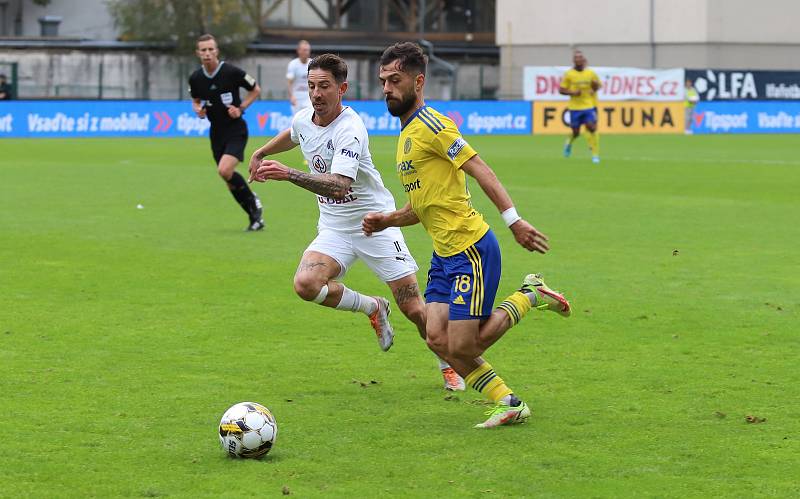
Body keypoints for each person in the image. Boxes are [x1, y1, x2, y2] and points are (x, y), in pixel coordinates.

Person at [365, 42, 572, 428]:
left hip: (471, 248)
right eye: (383, 81)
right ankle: (507, 402)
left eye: (395, 80)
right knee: (436, 338)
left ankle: (530, 295)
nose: (387, 89)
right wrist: (388, 220)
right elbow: (422, 206)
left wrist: (514, 220)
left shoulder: (433, 125)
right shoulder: (406, 135)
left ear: (418, 81)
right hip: (444, 255)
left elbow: (480, 168)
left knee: (464, 345)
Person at [249, 53, 465, 391]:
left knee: (412, 306)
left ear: (342, 88)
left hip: (374, 225)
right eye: (311, 86)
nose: (316, 94)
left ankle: (447, 361)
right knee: (306, 284)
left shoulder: (350, 129)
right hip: (334, 229)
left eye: (324, 86)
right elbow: (294, 133)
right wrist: (262, 152)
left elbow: (339, 187)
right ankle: (372, 307)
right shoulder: (307, 118)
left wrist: (288, 173)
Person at [188, 34, 264, 231]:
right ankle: (254, 217)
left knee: (224, 170)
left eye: (210, 49)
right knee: (228, 179)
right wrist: (198, 109)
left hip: (236, 129)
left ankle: (254, 202)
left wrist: (241, 108)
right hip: (216, 133)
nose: (207, 53)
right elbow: (196, 100)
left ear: (216, 51)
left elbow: (256, 89)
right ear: (198, 53)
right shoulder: (195, 78)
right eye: (203, 50)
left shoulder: (231, 72)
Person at [559, 49, 601, 164]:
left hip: (588, 106)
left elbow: (598, 85)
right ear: (574, 61)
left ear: (584, 60)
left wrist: (594, 88)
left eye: (580, 58)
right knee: (576, 132)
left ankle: (595, 154)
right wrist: (572, 93)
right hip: (575, 108)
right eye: (576, 58)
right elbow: (561, 90)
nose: (579, 60)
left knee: (592, 127)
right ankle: (569, 143)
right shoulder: (569, 74)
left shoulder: (590, 73)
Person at [286, 40, 312, 116]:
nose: (306, 52)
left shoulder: (313, 63)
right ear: (299, 51)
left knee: (309, 118)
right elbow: (289, 82)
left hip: (308, 97)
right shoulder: (293, 64)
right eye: (304, 50)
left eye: (307, 50)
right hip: (297, 97)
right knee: (297, 120)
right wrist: (291, 97)